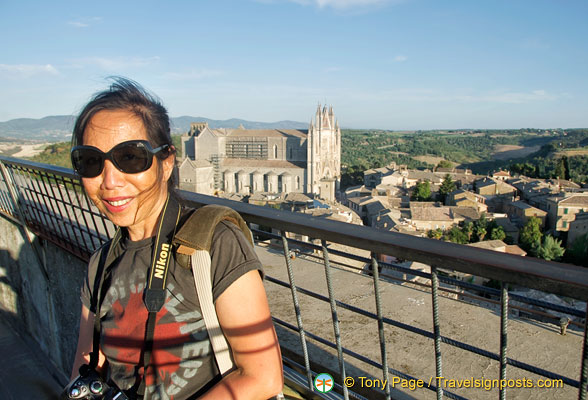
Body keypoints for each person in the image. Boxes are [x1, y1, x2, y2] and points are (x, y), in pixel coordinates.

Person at [70, 78, 283, 399]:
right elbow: (84, 367)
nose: (110, 181)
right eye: (91, 161)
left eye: (130, 157)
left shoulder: (214, 243)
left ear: (167, 163)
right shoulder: (100, 265)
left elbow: (263, 378)